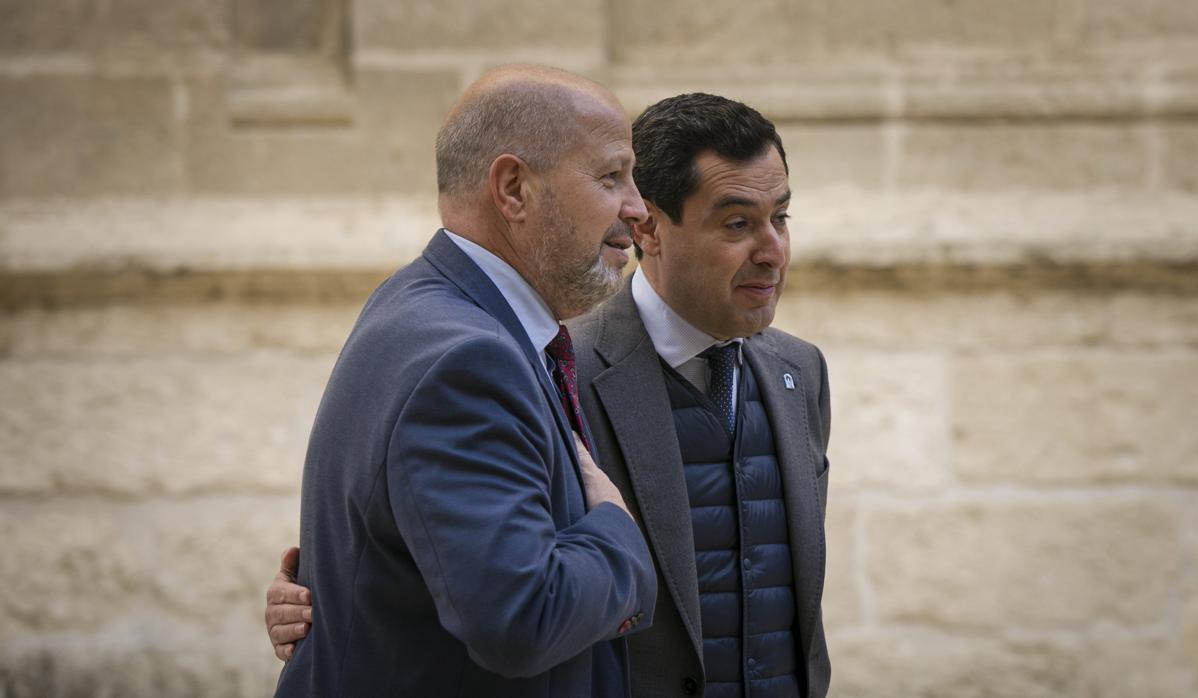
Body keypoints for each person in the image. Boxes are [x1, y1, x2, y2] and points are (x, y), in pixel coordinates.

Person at [269, 92, 832, 697]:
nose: (773, 252)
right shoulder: (550, 367)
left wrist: (346, 596)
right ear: (652, 230)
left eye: (781, 219)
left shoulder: (799, 372)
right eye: (738, 224)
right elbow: (506, 596)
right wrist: (332, 599)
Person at [270, 64, 658, 698]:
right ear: (513, 189)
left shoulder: (419, 301)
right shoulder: (470, 360)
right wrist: (619, 535)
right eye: (611, 177)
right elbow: (522, 619)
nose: (637, 209)